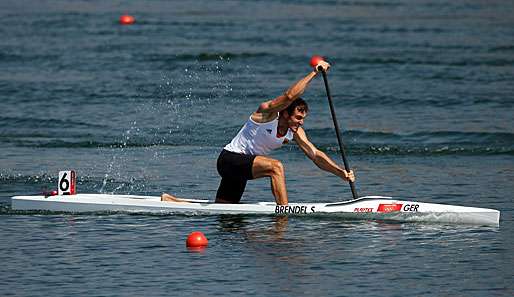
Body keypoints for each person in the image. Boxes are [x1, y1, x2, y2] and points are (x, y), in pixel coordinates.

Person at [162, 60, 355, 205]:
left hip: (242, 168)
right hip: (229, 159)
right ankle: (284, 214)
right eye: (297, 117)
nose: (301, 122)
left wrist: (341, 173)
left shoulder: (295, 131)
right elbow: (289, 96)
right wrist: (314, 72)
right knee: (276, 167)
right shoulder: (267, 113)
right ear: (286, 113)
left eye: (303, 118)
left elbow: (315, 155)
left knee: (223, 211)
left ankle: (171, 201)